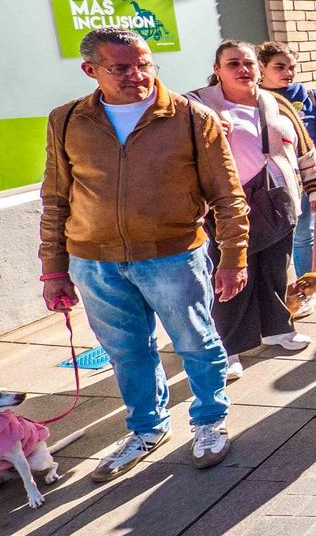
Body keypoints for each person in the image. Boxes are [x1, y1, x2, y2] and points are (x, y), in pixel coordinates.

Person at [39, 27, 248, 479]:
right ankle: (147, 428)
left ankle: (210, 421)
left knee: (196, 341)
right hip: (94, 262)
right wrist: (53, 269)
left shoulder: (192, 118)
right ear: (90, 70)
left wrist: (234, 257)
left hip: (173, 256)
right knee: (126, 351)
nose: (138, 74)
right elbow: (56, 197)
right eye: (121, 68)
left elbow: (228, 196)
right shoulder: (67, 120)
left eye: (144, 64)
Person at [189, 41, 316, 377]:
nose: (243, 70)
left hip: (278, 198)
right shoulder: (196, 104)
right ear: (217, 68)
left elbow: (304, 147)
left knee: (275, 269)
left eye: (248, 63)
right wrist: (204, 126)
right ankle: (229, 347)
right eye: (233, 63)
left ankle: (278, 328)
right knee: (230, 275)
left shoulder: (276, 101)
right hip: (225, 204)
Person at [258, 41, 316, 302]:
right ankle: (276, 294)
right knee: (271, 241)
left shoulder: (311, 98)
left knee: (303, 236)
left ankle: (307, 290)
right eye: (280, 67)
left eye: (292, 67)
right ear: (262, 66)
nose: (288, 73)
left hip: (304, 184)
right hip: (264, 186)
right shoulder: (253, 98)